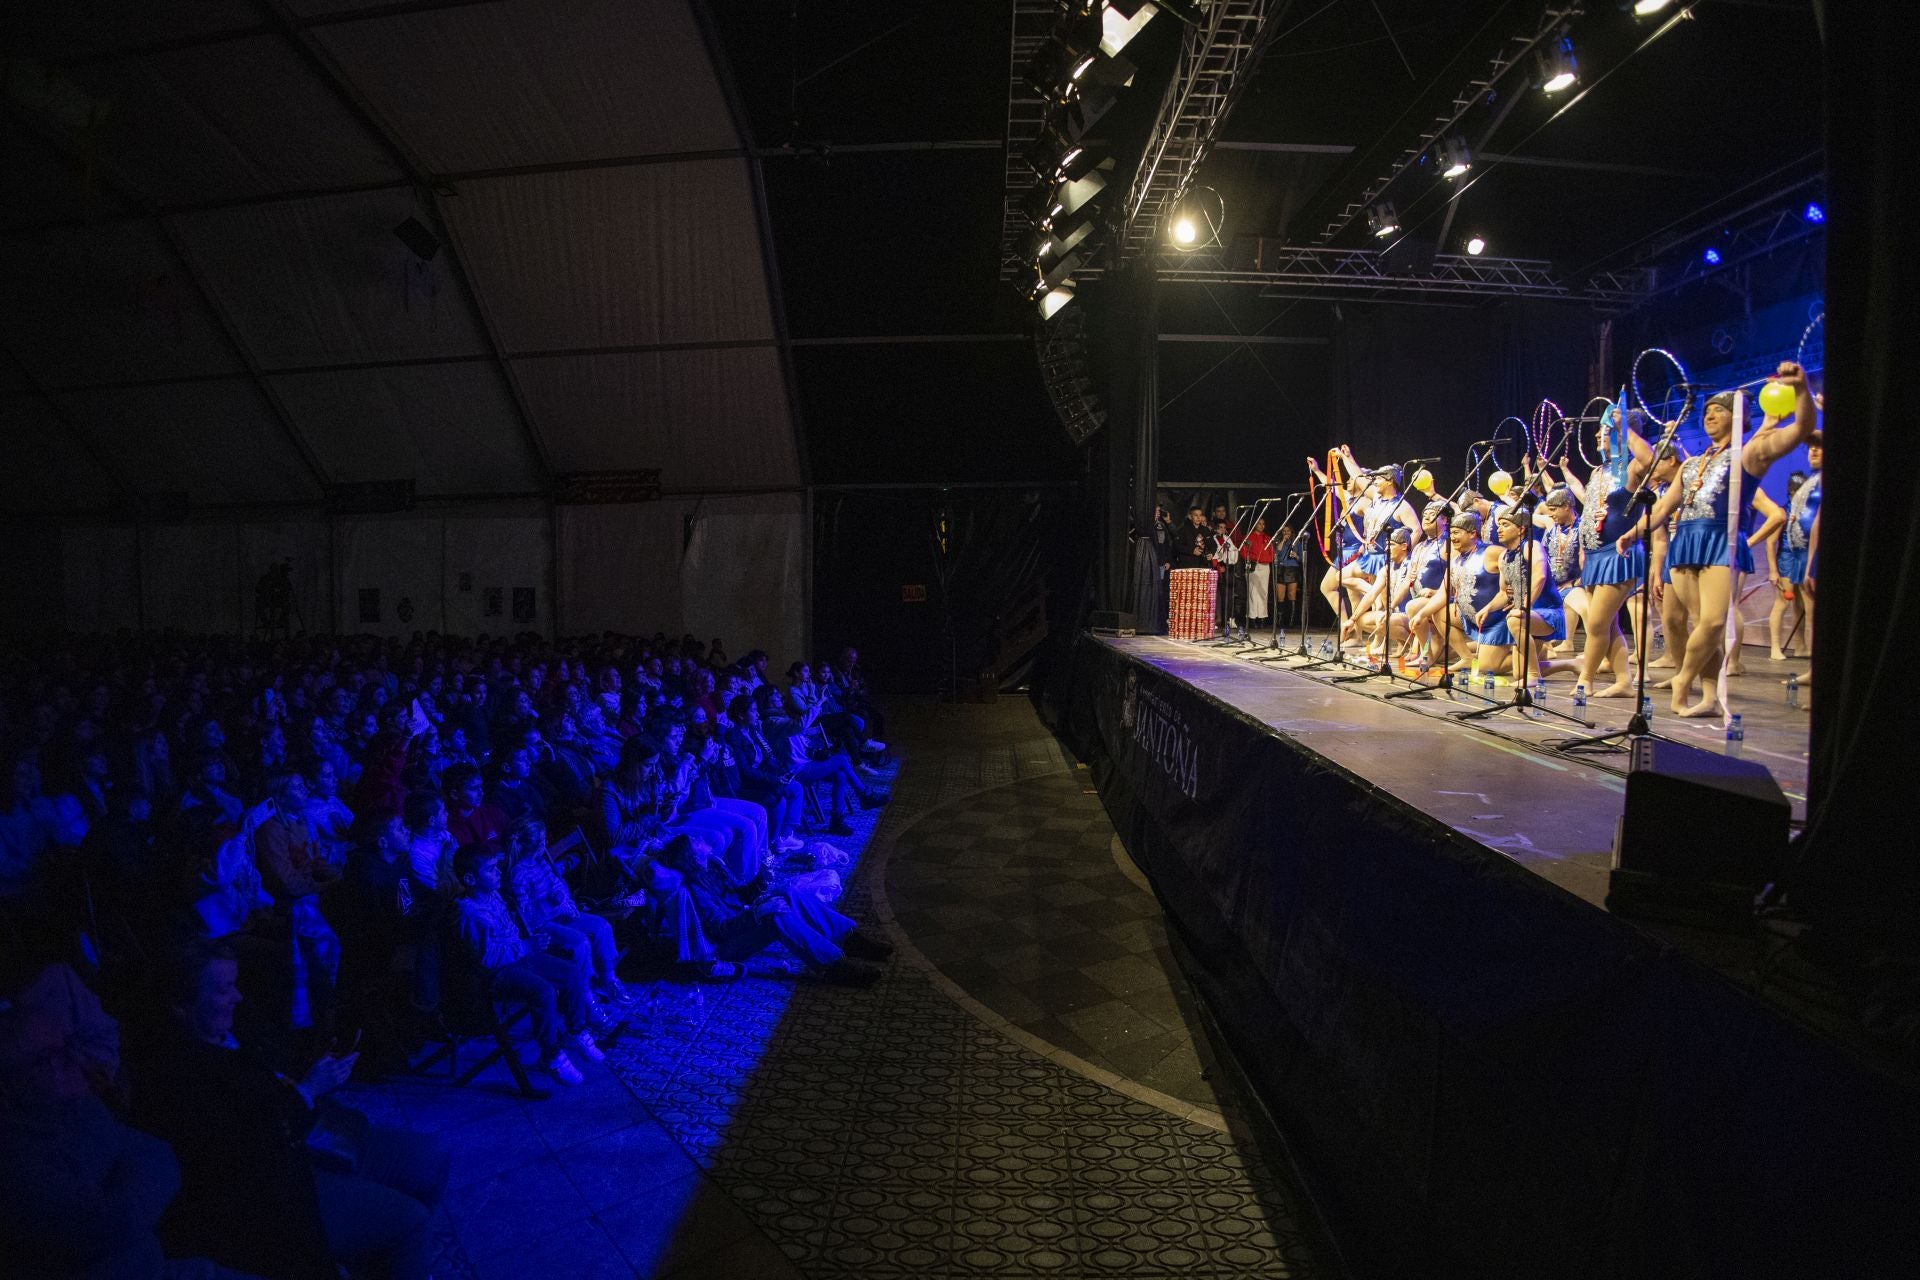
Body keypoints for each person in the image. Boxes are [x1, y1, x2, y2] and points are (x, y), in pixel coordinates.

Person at [130, 942, 449, 1280]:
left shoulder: (236, 1027)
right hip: (277, 1182)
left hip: (313, 1134)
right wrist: (306, 1091)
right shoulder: (176, 1075)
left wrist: (320, 1065)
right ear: (181, 1004)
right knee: (410, 1221)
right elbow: (251, 1150)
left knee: (431, 1158)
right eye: (224, 989)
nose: (237, 997)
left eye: (235, 984)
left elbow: (282, 1067)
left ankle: (384, 1262)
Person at [1620, 364, 1817, 716]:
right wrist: (1633, 532)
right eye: (1706, 411)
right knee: (1701, 624)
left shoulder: (1749, 453)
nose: (1709, 416)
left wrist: (1801, 390)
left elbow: (1801, 429)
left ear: (1738, 416)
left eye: (1718, 411)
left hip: (1721, 541)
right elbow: (1665, 505)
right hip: (1687, 544)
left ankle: (1684, 678)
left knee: (1712, 623)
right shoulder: (1691, 464)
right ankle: (1710, 696)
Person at [451, 844, 604, 1086]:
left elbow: (509, 932)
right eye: (490, 870)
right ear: (470, 878)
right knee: (542, 991)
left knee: (571, 972)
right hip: (495, 973)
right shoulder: (469, 914)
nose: (498, 872)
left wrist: (527, 944)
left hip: (519, 956)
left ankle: (577, 1029)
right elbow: (486, 958)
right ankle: (551, 1056)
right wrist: (525, 947)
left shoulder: (493, 895)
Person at [505, 818, 635, 1006]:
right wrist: (554, 906)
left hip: (560, 914)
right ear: (533, 844)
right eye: (543, 840)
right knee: (580, 942)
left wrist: (562, 897)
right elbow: (526, 914)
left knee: (601, 927)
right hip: (543, 924)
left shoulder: (540, 862)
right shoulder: (518, 874)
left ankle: (609, 979)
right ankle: (585, 993)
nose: (546, 843)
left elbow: (556, 884)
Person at [1480, 505, 1567, 685]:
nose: (1499, 529)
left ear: (1521, 529)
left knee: (1515, 620)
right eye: (1499, 525)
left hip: (1548, 613)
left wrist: (1524, 607)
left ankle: (1534, 675)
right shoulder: (1503, 556)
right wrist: (1487, 608)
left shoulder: (1531, 546)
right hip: (1526, 615)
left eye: (1505, 524)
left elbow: (1540, 575)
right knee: (1518, 672)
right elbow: (1504, 593)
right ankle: (1572, 664)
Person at [1768, 430, 1822, 662]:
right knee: (1802, 609)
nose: (1813, 450)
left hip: (1810, 554)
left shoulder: (1822, 481)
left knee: (1812, 613)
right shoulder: (1812, 482)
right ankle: (1803, 657)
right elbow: (1773, 540)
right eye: (1810, 447)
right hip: (1798, 555)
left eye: (1819, 447)